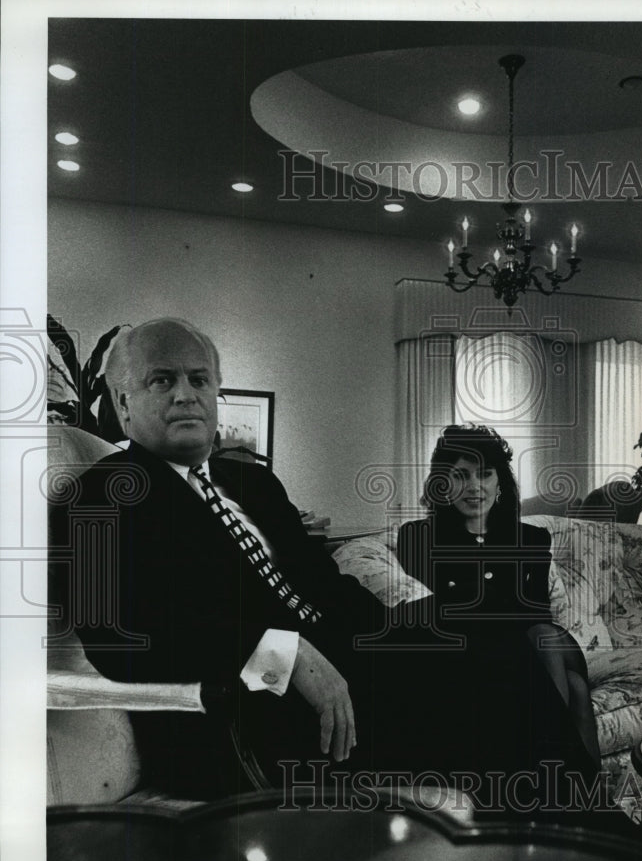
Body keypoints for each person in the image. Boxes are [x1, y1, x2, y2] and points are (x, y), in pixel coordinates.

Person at [53, 318, 598, 812]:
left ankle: (582, 830)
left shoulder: (253, 483)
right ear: (123, 403)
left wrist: (408, 630)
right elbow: (119, 638)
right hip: (259, 712)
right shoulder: (101, 495)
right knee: (494, 691)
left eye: (199, 379)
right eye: (162, 381)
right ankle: (589, 840)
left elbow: (326, 586)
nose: (186, 396)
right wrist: (279, 653)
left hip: (354, 668)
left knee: (496, 643)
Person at [397, 424, 601, 768]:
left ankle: (549, 776)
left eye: (485, 474)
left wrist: (490, 602)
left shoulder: (531, 539)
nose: (474, 487)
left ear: (499, 482)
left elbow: (535, 613)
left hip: (539, 644)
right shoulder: (419, 537)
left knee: (542, 635)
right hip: (482, 655)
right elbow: (445, 611)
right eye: (461, 475)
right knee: (577, 688)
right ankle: (587, 801)